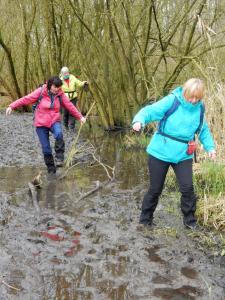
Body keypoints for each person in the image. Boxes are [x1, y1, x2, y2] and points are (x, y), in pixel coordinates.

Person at [132, 78, 216, 230]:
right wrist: (139, 120)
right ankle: (145, 220)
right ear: (185, 92)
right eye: (191, 96)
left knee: (187, 188)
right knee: (155, 189)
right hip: (160, 152)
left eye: (198, 97)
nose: (193, 100)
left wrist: (210, 148)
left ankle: (190, 221)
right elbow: (150, 111)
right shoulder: (172, 101)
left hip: (183, 154)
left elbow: (203, 130)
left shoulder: (200, 108)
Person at [6, 76, 86, 174]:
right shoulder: (40, 92)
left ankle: (59, 157)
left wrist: (80, 117)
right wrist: (12, 106)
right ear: (49, 85)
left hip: (54, 121)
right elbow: (26, 99)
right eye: (55, 87)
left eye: (58, 87)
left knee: (59, 134)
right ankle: (51, 170)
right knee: (46, 148)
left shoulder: (60, 94)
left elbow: (69, 106)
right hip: (41, 123)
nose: (57, 89)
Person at [59, 66, 88, 130]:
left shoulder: (73, 78)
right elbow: (57, 88)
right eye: (64, 73)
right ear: (62, 74)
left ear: (68, 72)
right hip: (64, 99)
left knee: (72, 112)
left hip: (73, 98)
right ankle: (65, 126)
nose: (66, 74)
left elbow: (79, 83)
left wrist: (84, 83)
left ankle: (72, 127)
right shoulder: (60, 80)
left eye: (67, 73)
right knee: (65, 113)